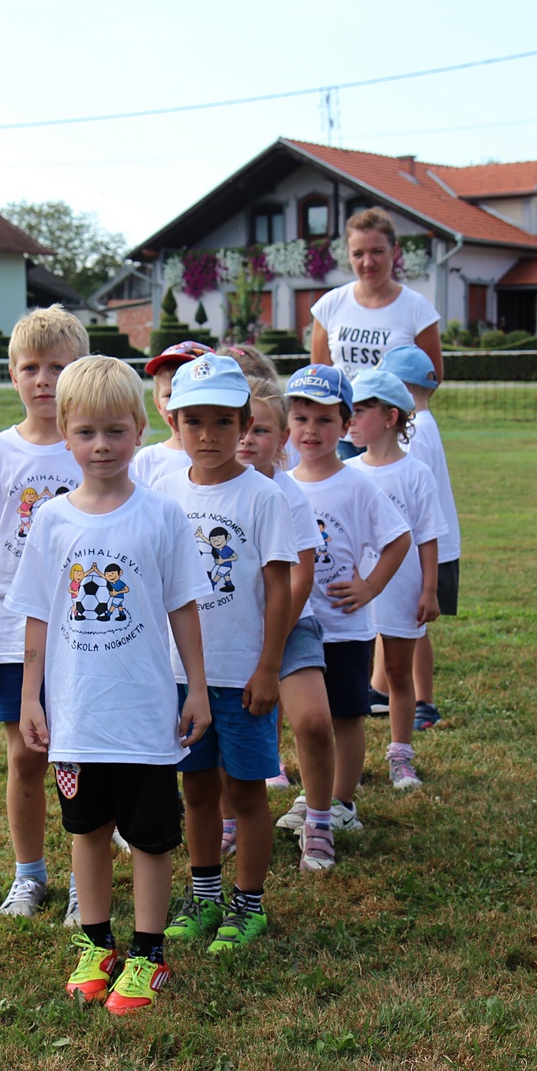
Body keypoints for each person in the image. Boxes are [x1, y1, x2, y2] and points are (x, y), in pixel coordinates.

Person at [6, 355, 210, 1015]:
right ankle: (97, 946)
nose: (102, 445)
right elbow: (37, 616)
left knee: (151, 837)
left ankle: (148, 954)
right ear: (65, 433)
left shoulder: (161, 516)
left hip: (144, 716)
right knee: (87, 830)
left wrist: (197, 688)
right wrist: (30, 697)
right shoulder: (52, 521)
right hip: (77, 717)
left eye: (116, 431)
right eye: (87, 432)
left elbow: (184, 606)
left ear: (141, 429)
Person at [152, 355, 295, 953]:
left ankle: (248, 904)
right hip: (181, 677)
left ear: (244, 424)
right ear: (173, 423)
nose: (207, 435)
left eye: (222, 422)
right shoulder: (161, 491)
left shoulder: (263, 497)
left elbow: (281, 588)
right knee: (196, 791)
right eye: (193, 421)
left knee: (246, 792)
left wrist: (269, 668)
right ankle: (205, 895)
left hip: (242, 677)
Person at [0, 305, 89, 923]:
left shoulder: (93, 448)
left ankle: (85, 878)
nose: (44, 380)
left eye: (58, 367)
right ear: (12, 374)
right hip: (12, 633)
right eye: (31, 367)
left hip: (86, 630)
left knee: (82, 757)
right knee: (26, 756)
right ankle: (29, 874)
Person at [278, 364, 410, 836]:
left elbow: (399, 538)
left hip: (344, 628)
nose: (310, 431)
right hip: (296, 627)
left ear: (347, 424)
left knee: (347, 716)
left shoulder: (357, 485)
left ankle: (342, 803)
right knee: (307, 722)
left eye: (325, 420)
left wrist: (370, 587)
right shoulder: (279, 484)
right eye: (301, 419)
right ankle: (316, 793)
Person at [237, 378, 340, 870]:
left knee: (314, 722)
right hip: (228, 631)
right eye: (240, 427)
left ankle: (319, 819)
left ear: (282, 440)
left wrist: (271, 645)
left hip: (291, 626)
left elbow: (302, 575)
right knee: (228, 730)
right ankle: (229, 820)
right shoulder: (206, 490)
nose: (246, 439)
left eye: (260, 430)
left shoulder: (287, 493)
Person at [344, 369, 440, 789]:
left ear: (390, 417)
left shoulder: (415, 473)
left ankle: (401, 756)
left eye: (359, 411)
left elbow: (428, 536)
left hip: (401, 589)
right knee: (353, 678)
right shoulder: (347, 470)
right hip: (352, 595)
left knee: (399, 674)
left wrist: (429, 590)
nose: (350, 421)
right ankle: (348, 761)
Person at [375, 345, 461, 729]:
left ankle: (423, 700)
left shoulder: (415, 433)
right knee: (391, 620)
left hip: (424, 549)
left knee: (413, 627)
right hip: (421, 547)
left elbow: (414, 497)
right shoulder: (424, 424)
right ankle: (381, 691)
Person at [309, 208, 443, 382]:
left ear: (394, 251)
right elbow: (320, 377)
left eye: (377, 252)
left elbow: (432, 378)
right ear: (348, 255)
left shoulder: (418, 308)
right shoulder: (329, 305)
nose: (367, 262)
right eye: (358, 254)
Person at [131, 341, 210, 487]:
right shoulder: (147, 460)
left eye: (189, 392)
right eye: (169, 395)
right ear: (158, 404)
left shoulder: (221, 456)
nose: (177, 402)